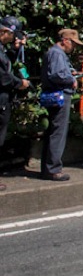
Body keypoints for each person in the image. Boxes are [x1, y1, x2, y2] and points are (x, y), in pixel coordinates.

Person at [40, 28, 83, 181]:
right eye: (73, 43)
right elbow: (56, 74)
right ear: (65, 40)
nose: (73, 47)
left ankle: (49, 167)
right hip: (59, 95)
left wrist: (70, 72)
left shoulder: (56, 54)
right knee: (58, 132)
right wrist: (71, 79)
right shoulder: (56, 53)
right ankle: (53, 169)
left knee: (54, 131)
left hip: (57, 95)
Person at [0, 17, 31, 191]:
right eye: (12, 36)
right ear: (5, 32)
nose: (13, 39)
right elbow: (4, 76)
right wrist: (20, 83)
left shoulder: (3, 49)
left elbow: (6, 64)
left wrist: (15, 49)